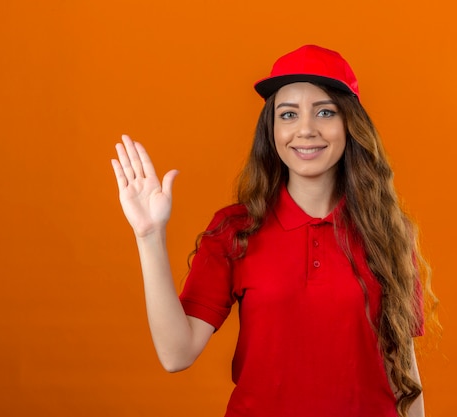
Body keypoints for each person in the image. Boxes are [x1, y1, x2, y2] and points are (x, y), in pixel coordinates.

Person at [111, 45, 430, 417]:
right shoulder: (236, 230)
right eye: (288, 114)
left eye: (325, 112)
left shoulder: (386, 231)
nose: (305, 130)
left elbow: (403, 369)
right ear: (272, 130)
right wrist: (149, 236)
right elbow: (175, 354)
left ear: (350, 125)